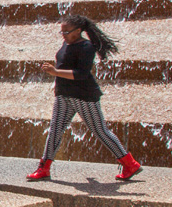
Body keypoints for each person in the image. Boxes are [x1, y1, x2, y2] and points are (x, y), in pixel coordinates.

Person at [26, 14, 142, 182]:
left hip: (83, 96)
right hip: (64, 95)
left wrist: (56, 72)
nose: (64, 35)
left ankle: (129, 163)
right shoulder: (66, 43)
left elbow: (81, 74)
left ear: (78, 31)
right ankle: (44, 168)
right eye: (62, 32)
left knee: (100, 130)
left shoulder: (87, 47)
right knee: (55, 131)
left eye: (67, 32)